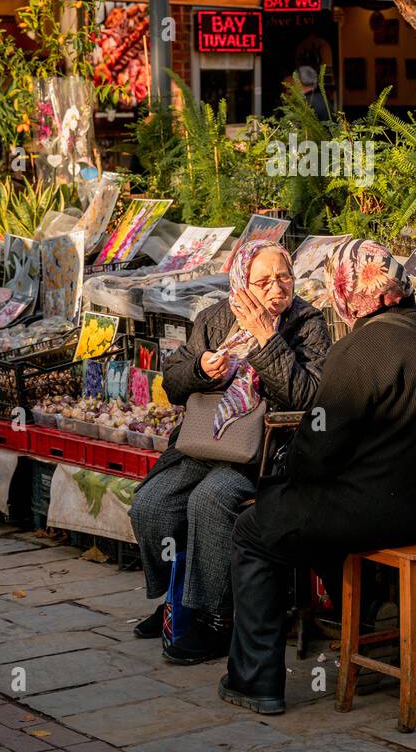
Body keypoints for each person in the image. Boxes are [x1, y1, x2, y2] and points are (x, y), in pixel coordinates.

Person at [219, 238, 416, 715]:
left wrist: (290, 476)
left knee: (255, 531)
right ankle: (365, 610)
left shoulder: (359, 349)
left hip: (388, 512)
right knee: (305, 515)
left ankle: (255, 682)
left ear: (345, 290)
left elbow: (315, 456)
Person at [129, 240, 330, 664]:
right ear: (241, 282)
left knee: (211, 499)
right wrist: (201, 369)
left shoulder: (308, 324)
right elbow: (173, 381)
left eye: (284, 277)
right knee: (151, 505)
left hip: (265, 453)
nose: (277, 288)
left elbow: (308, 397)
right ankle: (176, 601)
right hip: (205, 443)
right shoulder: (215, 318)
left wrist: (267, 340)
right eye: (264, 280)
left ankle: (218, 619)